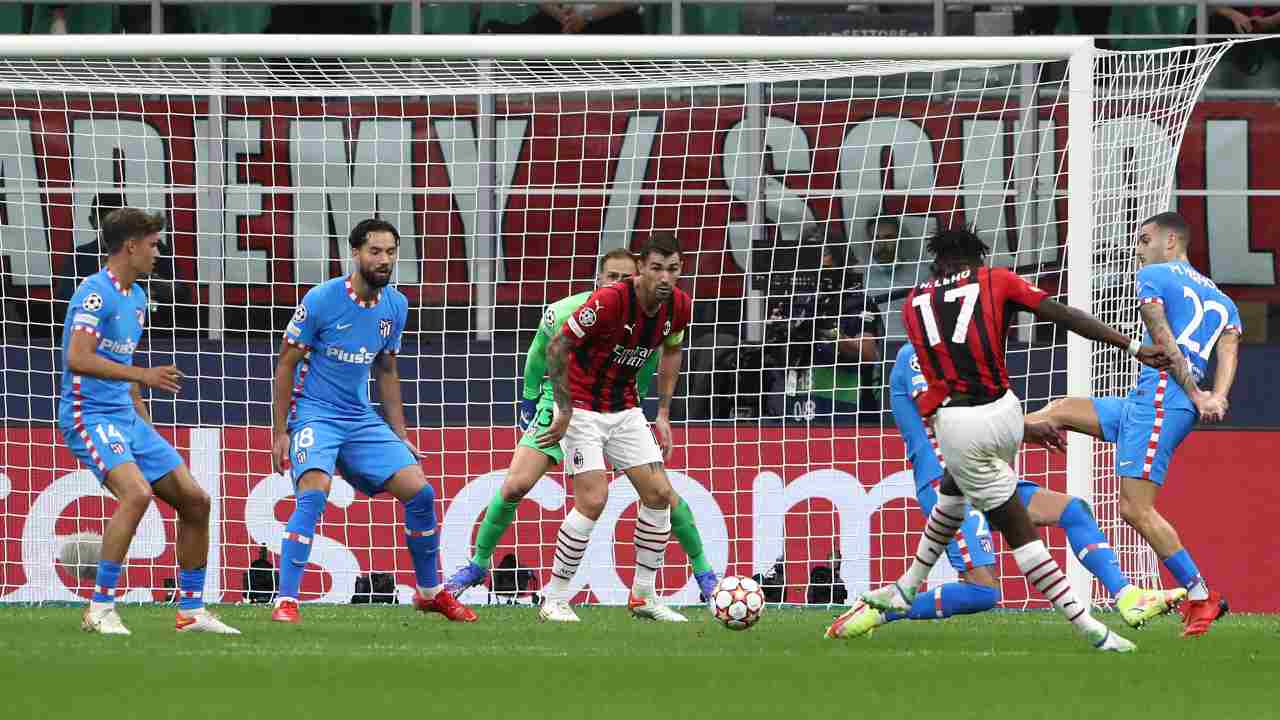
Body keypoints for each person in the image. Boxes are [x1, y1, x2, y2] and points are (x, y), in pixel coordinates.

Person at [858, 226, 1173, 652]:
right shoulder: (995, 280)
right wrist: (1132, 346)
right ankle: (1098, 627)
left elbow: (935, 402)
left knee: (1034, 527)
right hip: (1000, 418)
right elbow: (1064, 315)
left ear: (936, 265)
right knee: (981, 520)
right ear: (978, 261)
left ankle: (1106, 619)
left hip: (963, 434)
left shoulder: (915, 305)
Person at [826, 344, 1185, 640]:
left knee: (1073, 510)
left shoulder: (962, 355)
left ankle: (1128, 596)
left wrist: (1023, 428)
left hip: (987, 475)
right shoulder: (916, 354)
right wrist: (1018, 427)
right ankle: (880, 609)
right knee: (983, 592)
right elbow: (948, 417)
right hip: (947, 481)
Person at [443, 249, 719, 601]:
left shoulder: (653, 313)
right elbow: (539, 353)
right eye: (611, 277)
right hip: (561, 400)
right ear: (598, 280)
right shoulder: (565, 312)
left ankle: (704, 574)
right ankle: (478, 564)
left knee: (662, 493)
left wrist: (653, 412)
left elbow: (651, 364)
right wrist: (529, 403)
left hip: (617, 407)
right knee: (516, 484)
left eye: (625, 277)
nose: (618, 283)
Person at [1025, 212, 1239, 637]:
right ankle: (981, 438)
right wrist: (1217, 394)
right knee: (1062, 410)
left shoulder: (1155, 275)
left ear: (1171, 243)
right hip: (1153, 400)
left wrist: (1197, 395)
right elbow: (1230, 349)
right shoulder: (1223, 299)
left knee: (1133, 508)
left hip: (1163, 396)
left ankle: (1200, 595)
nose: (1137, 250)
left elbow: (1162, 338)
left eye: (1144, 240)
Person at [268, 218, 475, 624]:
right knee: (314, 492)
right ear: (356, 253)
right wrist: (280, 432)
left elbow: (387, 369)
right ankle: (286, 599)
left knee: (420, 492)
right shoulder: (322, 299)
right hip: (316, 415)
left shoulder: (396, 305)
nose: (384, 259)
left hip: (360, 419)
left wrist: (400, 435)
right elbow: (286, 363)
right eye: (375, 251)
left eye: (391, 252)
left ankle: (431, 592)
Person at [58, 207, 239, 635]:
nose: (159, 252)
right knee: (136, 495)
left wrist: (144, 422)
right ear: (131, 245)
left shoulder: (137, 296)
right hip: (89, 414)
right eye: (154, 244)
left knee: (195, 500)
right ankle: (99, 607)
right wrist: (143, 376)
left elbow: (123, 362)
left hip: (126, 416)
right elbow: (77, 359)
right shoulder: (93, 294)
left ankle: (191, 611)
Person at [534, 231, 692, 623]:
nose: (664, 278)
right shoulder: (609, 301)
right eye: (656, 268)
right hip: (583, 408)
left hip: (625, 408)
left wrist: (664, 412)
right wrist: (565, 409)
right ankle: (554, 598)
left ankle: (643, 596)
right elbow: (557, 346)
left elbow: (672, 350)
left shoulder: (680, 306)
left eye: (672, 269)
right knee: (593, 499)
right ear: (641, 267)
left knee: (659, 494)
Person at [54, 193, 191, 327]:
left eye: (119, 220)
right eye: (105, 219)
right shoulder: (81, 257)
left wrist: (149, 280)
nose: (113, 227)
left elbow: (184, 298)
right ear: (93, 222)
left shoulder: (151, 248)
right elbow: (65, 306)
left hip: (156, 337)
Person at [862, 215, 929, 342]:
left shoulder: (923, 272)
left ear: (899, 239)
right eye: (876, 238)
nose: (882, 243)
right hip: (883, 348)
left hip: (918, 345)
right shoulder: (862, 277)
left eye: (888, 237)